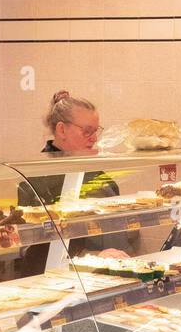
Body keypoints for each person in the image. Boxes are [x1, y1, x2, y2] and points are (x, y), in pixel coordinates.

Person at [17, 91, 129, 273]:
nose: (94, 139)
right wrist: (92, 256)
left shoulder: (96, 174)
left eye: (96, 131)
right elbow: (34, 244)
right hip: (52, 277)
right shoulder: (37, 178)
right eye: (87, 131)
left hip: (102, 272)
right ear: (62, 130)